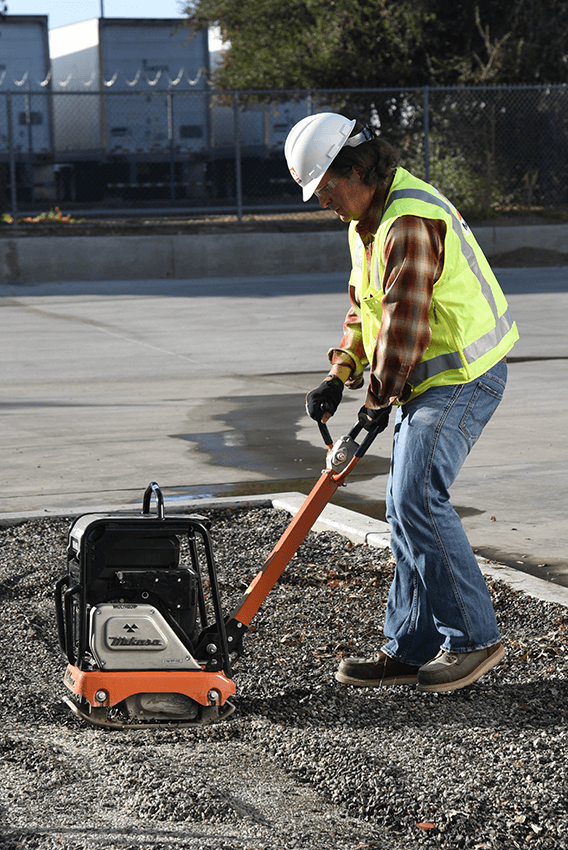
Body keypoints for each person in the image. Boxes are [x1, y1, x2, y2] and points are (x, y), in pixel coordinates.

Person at [284, 113, 519, 693]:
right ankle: (409, 648)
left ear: (357, 170)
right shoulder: (365, 220)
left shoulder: (408, 221)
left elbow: (405, 330)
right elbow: (368, 310)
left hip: (463, 377)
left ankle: (474, 639)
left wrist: (374, 405)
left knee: (415, 497)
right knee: (403, 503)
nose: (322, 203)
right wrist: (341, 373)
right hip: (427, 380)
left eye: (325, 189)